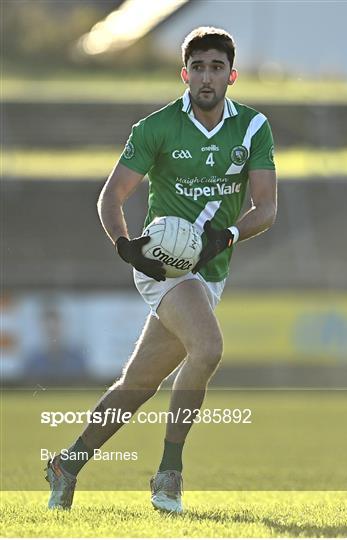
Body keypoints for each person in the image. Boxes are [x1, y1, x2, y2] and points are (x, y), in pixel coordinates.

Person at [45, 26, 277, 513]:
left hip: (210, 269)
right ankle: (169, 476)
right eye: (198, 67)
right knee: (208, 348)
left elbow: (266, 207)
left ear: (231, 75)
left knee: (137, 386)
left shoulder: (254, 128)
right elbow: (112, 196)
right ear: (184, 74)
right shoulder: (155, 128)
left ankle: (67, 463)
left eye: (216, 67)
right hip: (163, 265)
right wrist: (126, 247)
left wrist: (224, 237)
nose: (206, 77)